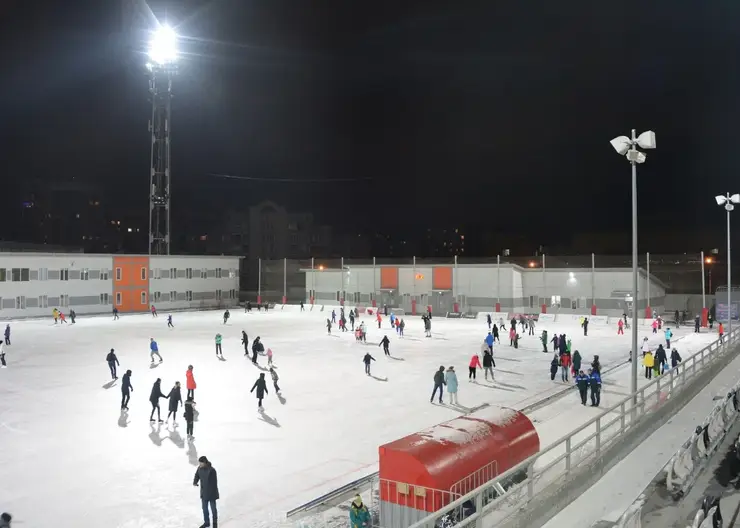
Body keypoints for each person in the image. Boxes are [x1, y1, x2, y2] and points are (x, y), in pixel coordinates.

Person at [193, 456, 219, 528]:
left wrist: (211, 493)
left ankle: (215, 524)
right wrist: (195, 482)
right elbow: (197, 475)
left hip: (211, 494)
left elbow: (214, 483)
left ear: (205, 462)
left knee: (213, 510)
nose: (200, 464)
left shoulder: (212, 470)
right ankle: (206, 522)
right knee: (204, 509)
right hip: (204, 493)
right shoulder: (199, 468)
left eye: (201, 463)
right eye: (199, 463)